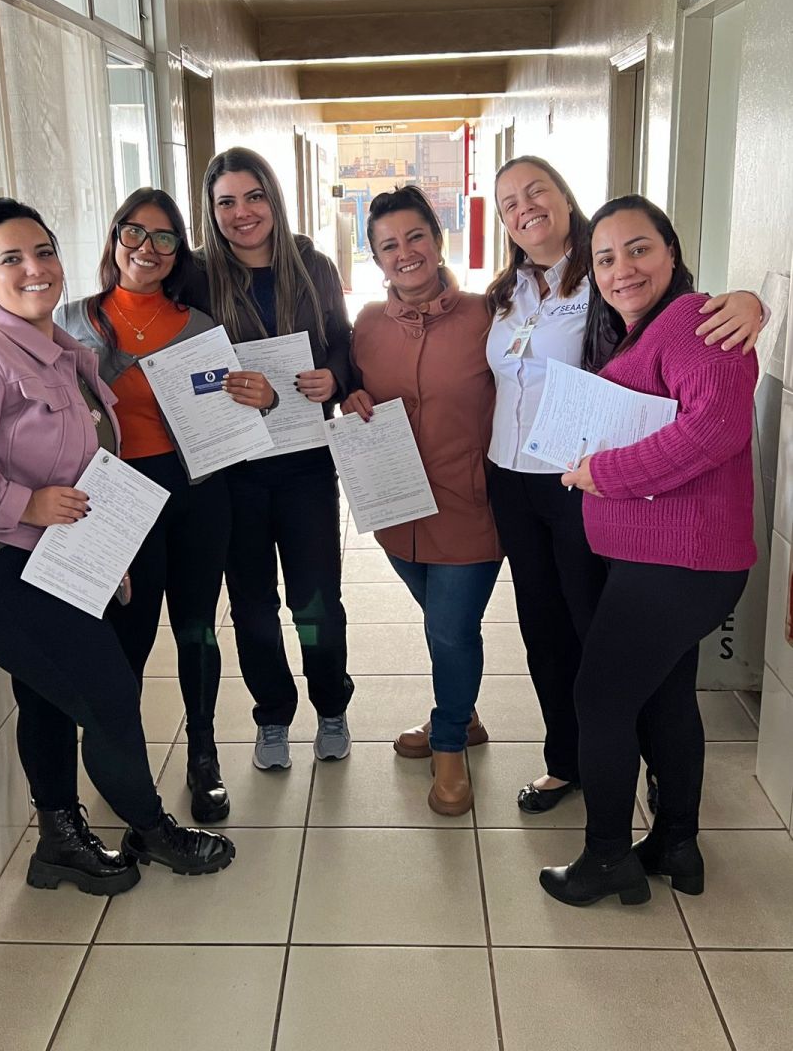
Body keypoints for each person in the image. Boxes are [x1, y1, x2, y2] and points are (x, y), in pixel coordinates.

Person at [0, 198, 235, 896]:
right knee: (109, 693)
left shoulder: (67, 357)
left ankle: (59, 840)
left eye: (44, 251)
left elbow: (90, 468)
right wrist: (22, 504)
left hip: (61, 561)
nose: (35, 268)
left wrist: (107, 554)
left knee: (47, 697)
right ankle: (151, 829)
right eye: (11, 259)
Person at [485, 156, 763, 814]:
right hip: (513, 478)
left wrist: (753, 302)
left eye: (537, 191)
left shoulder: (609, 278)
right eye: (508, 203)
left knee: (603, 634)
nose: (525, 208)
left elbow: (690, 326)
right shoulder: (503, 292)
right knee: (543, 627)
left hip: (587, 483)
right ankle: (568, 761)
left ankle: (650, 768)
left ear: (565, 197)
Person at [540, 195, 756, 906]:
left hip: (679, 563)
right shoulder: (649, 333)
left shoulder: (693, 321)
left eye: (638, 249)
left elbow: (714, 429)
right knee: (664, 697)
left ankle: (607, 857)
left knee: (600, 699)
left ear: (671, 251)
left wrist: (603, 473)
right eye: (605, 258)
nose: (622, 269)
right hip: (662, 561)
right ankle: (675, 846)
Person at [62, 188, 273, 825]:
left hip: (196, 490)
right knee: (126, 634)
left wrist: (259, 399)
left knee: (196, 627)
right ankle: (121, 761)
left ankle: (203, 755)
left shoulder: (201, 328)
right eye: (134, 232)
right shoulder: (70, 324)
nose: (146, 248)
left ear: (179, 252)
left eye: (164, 238)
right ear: (114, 237)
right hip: (116, 496)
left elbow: (229, 415)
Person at [342, 186, 501, 815]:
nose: (404, 252)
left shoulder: (488, 315)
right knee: (442, 624)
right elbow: (351, 388)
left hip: (470, 505)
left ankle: (448, 743)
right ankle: (464, 716)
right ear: (376, 258)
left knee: (451, 631)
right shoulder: (366, 325)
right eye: (388, 245)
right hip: (396, 508)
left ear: (437, 240)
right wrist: (351, 399)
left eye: (415, 237)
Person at [195, 147, 354, 770]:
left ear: (274, 199)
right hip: (232, 473)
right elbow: (180, 370)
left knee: (316, 601)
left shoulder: (312, 266)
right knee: (253, 606)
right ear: (211, 211)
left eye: (254, 196)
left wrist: (333, 377)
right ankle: (273, 714)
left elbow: (341, 341)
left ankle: (331, 703)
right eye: (226, 202)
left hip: (304, 466)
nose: (242, 212)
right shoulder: (196, 277)